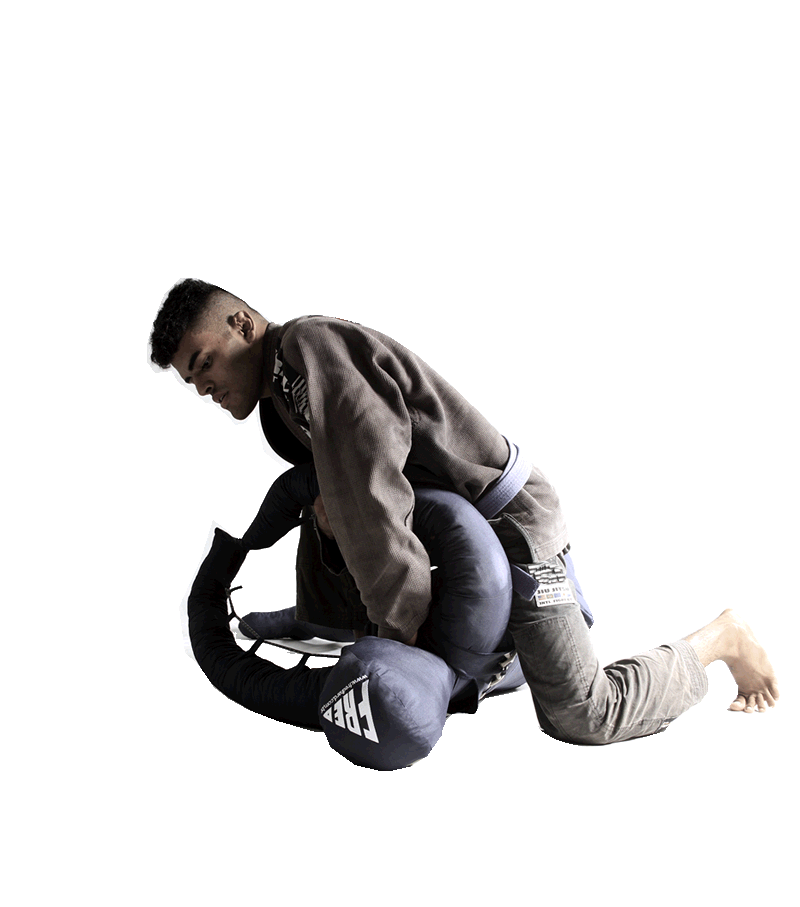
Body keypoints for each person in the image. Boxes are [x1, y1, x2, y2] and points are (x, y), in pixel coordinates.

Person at [150, 278, 779, 745]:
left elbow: (371, 486)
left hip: (513, 526)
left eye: (204, 363)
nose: (204, 387)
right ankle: (329, 618)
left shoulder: (309, 347)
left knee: (581, 713)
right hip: (456, 535)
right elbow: (346, 489)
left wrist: (401, 637)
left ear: (242, 323)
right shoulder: (283, 398)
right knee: (325, 506)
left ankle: (721, 638)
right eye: (191, 381)